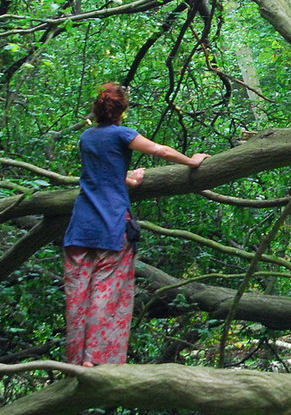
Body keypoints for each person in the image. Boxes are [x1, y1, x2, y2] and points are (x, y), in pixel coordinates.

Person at [62, 83, 209, 365]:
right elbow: (161, 150)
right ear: (122, 111)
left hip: (80, 227)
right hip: (111, 227)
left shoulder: (86, 138)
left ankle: (77, 359)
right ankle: (97, 360)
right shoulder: (122, 134)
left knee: (78, 294)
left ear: (96, 110)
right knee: (105, 295)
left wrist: (128, 179)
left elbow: (98, 175)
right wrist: (192, 161)